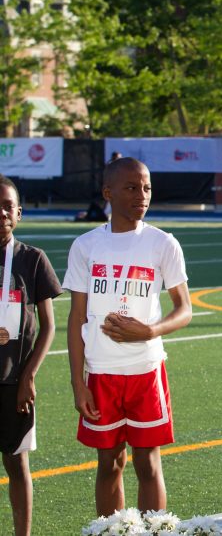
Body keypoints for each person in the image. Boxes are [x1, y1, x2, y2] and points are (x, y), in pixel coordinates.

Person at [64, 157, 192, 517]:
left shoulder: (162, 243)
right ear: (108, 193)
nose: (142, 195)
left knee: (148, 465)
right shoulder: (86, 246)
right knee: (109, 464)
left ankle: (152, 530)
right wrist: (78, 383)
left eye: (147, 187)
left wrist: (149, 330)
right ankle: (111, 529)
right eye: (132, 188)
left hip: (145, 370)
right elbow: (76, 318)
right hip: (101, 373)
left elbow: (184, 310)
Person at [0, 175, 60, 536]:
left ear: (19, 213)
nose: (1, 213)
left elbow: (49, 326)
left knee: (16, 463)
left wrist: (29, 376)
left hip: (14, 382)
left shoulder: (32, 260)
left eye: (8, 206)